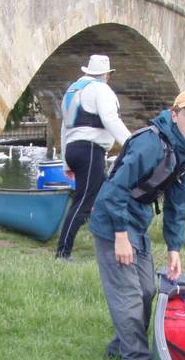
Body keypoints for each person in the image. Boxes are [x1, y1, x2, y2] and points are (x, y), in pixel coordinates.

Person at [88, 89, 185, 360]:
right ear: (174, 114)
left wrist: (174, 247)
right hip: (112, 217)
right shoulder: (151, 144)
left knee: (146, 289)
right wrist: (120, 235)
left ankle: (121, 346)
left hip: (137, 219)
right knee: (128, 293)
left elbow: (177, 204)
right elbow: (115, 189)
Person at [55, 54, 131, 261]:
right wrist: (132, 144)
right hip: (90, 150)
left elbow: (65, 127)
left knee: (105, 197)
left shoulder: (73, 90)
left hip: (74, 149)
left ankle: (111, 244)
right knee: (83, 203)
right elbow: (110, 119)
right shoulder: (101, 89)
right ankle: (63, 253)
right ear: (106, 74)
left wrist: (66, 161)